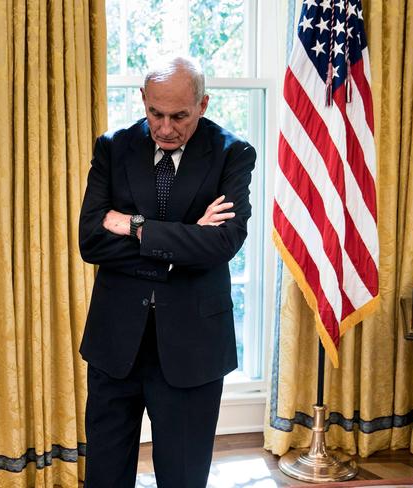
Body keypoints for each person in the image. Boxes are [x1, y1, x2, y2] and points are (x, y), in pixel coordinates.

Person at [78, 57, 256, 487]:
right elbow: (92, 241)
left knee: (182, 478)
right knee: (104, 476)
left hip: (192, 346)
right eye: (155, 113)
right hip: (115, 340)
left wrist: (135, 226)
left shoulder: (232, 153)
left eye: (179, 116)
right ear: (143, 100)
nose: (165, 128)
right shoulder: (113, 147)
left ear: (203, 105)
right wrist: (183, 242)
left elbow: (223, 243)